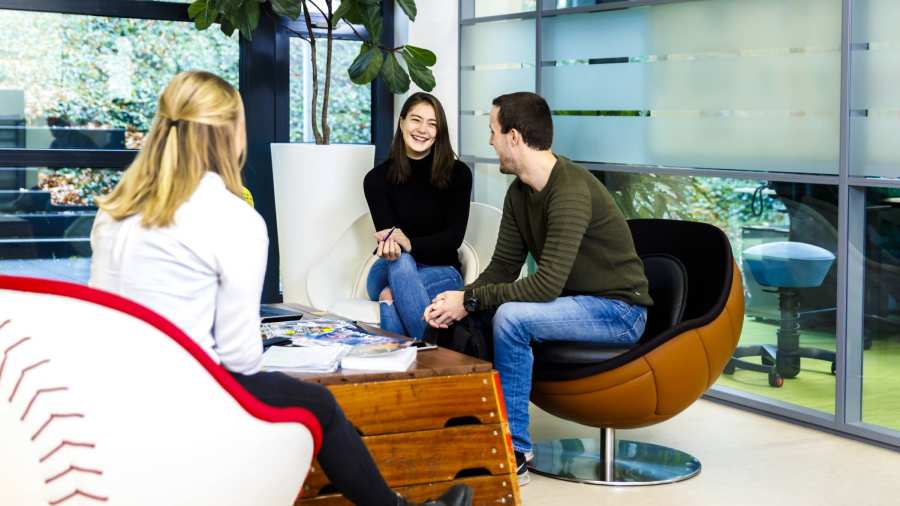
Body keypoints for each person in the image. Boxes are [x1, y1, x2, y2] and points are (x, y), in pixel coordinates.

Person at [89, 70, 471, 506]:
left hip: (119, 386)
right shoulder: (232, 219)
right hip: (195, 390)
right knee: (321, 405)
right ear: (232, 133)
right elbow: (239, 358)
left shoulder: (115, 211)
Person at [423, 92, 653, 486]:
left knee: (510, 317)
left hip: (618, 312)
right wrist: (460, 301)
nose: (490, 141)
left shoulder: (570, 190)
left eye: (493, 132)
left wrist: (471, 299)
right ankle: (464, 432)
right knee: (473, 311)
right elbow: (502, 268)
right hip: (573, 303)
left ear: (514, 137)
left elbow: (546, 284)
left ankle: (515, 451)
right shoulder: (519, 192)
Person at [363, 92, 472, 339]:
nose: (423, 130)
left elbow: (452, 239)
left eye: (432, 124)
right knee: (400, 261)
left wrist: (409, 243)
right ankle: (435, 353)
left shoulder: (458, 174)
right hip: (387, 268)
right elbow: (392, 243)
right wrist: (394, 246)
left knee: (390, 295)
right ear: (401, 122)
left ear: (439, 132)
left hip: (442, 270)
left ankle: (401, 366)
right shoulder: (376, 180)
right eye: (415, 120)